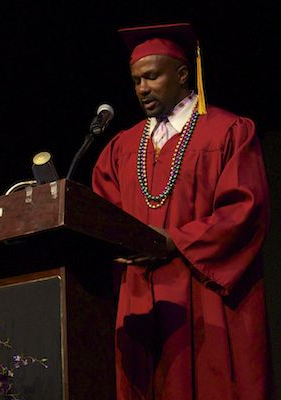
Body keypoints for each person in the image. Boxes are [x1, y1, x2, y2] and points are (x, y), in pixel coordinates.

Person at [92, 23, 273, 400]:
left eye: (152, 77)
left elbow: (245, 209)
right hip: (141, 298)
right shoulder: (121, 148)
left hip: (204, 293)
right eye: (137, 80)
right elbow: (100, 214)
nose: (142, 89)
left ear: (183, 74)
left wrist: (176, 240)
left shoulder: (226, 132)